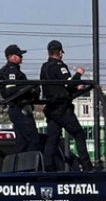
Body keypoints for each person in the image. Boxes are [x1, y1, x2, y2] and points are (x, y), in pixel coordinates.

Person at [39, 40, 93, 171]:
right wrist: (79, 74)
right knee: (79, 134)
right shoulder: (59, 66)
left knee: (52, 138)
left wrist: (75, 87)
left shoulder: (44, 67)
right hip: (62, 108)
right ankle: (87, 166)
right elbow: (68, 84)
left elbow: (56, 87)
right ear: (60, 53)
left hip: (50, 107)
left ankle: (48, 167)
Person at [0, 44, 40, 153]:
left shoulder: (16, 71)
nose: (21, 57)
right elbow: (11, 90)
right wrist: (29, 88)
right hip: (19, 108)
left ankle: (21, 168)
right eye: (19, 55)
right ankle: (31, 168)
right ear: (11, 57)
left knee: (22, 142)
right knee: (33, 139)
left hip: (19, 109)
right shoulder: (11, 70)